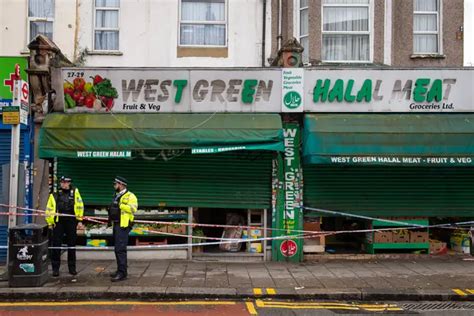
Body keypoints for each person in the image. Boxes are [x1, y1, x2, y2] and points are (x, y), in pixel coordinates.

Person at [46, 176, 84, 277]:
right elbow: (49, 209)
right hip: (58, 222)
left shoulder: (75, 192)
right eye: (62, 182)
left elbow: (80, 206)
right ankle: (55, 268)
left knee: (71, 245)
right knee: (56, 245)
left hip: (71, 220)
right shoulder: (54, 194)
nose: (64, 184)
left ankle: (72, 268)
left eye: (66, 182)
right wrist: (50, 223)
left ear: (70, 183)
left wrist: (80, 220)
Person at [108, 176, 138, 282]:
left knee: (120, 249)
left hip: (124, 225)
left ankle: (122, 273)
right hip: (116, 224)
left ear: (121, 185)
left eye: (115, 184)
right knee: (117, 249)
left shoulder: (131, 196)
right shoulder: (116, 195)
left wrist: (121, 205)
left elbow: (133, 209)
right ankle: (120, 270)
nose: (114, 186)